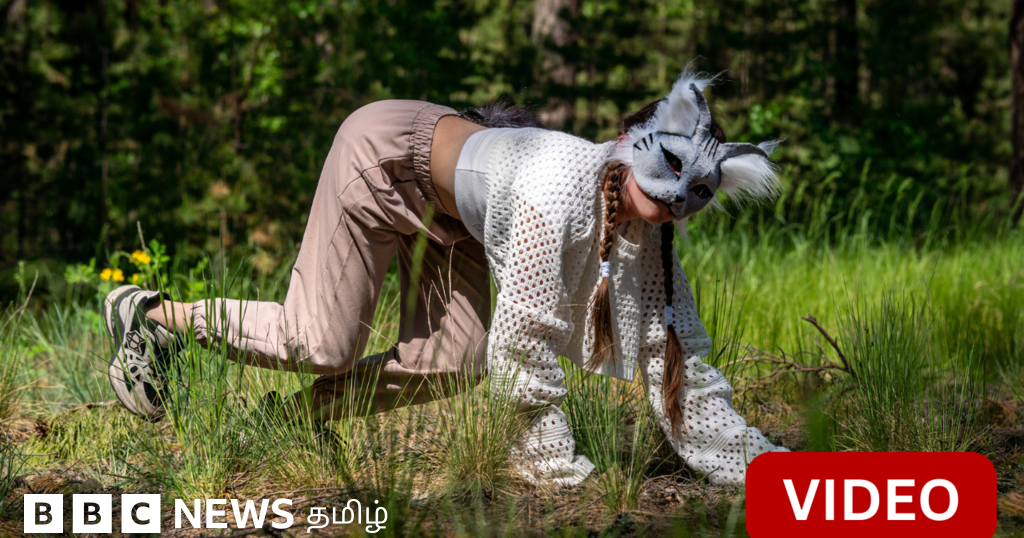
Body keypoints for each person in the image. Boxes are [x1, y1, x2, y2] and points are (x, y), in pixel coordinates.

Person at [103, 69, 787, 487]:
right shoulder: (555, 191)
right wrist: (552, 465)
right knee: (319, 343)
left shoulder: (647, 232)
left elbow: (680, 357)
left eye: (698, 193)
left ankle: (285, 425)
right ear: (633, 144)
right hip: (388, 156)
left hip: (454, 211)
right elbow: (524, 340)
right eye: (669, 174)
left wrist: (759, 468)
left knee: (454, 360)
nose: (676, 202)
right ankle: (154, 315)